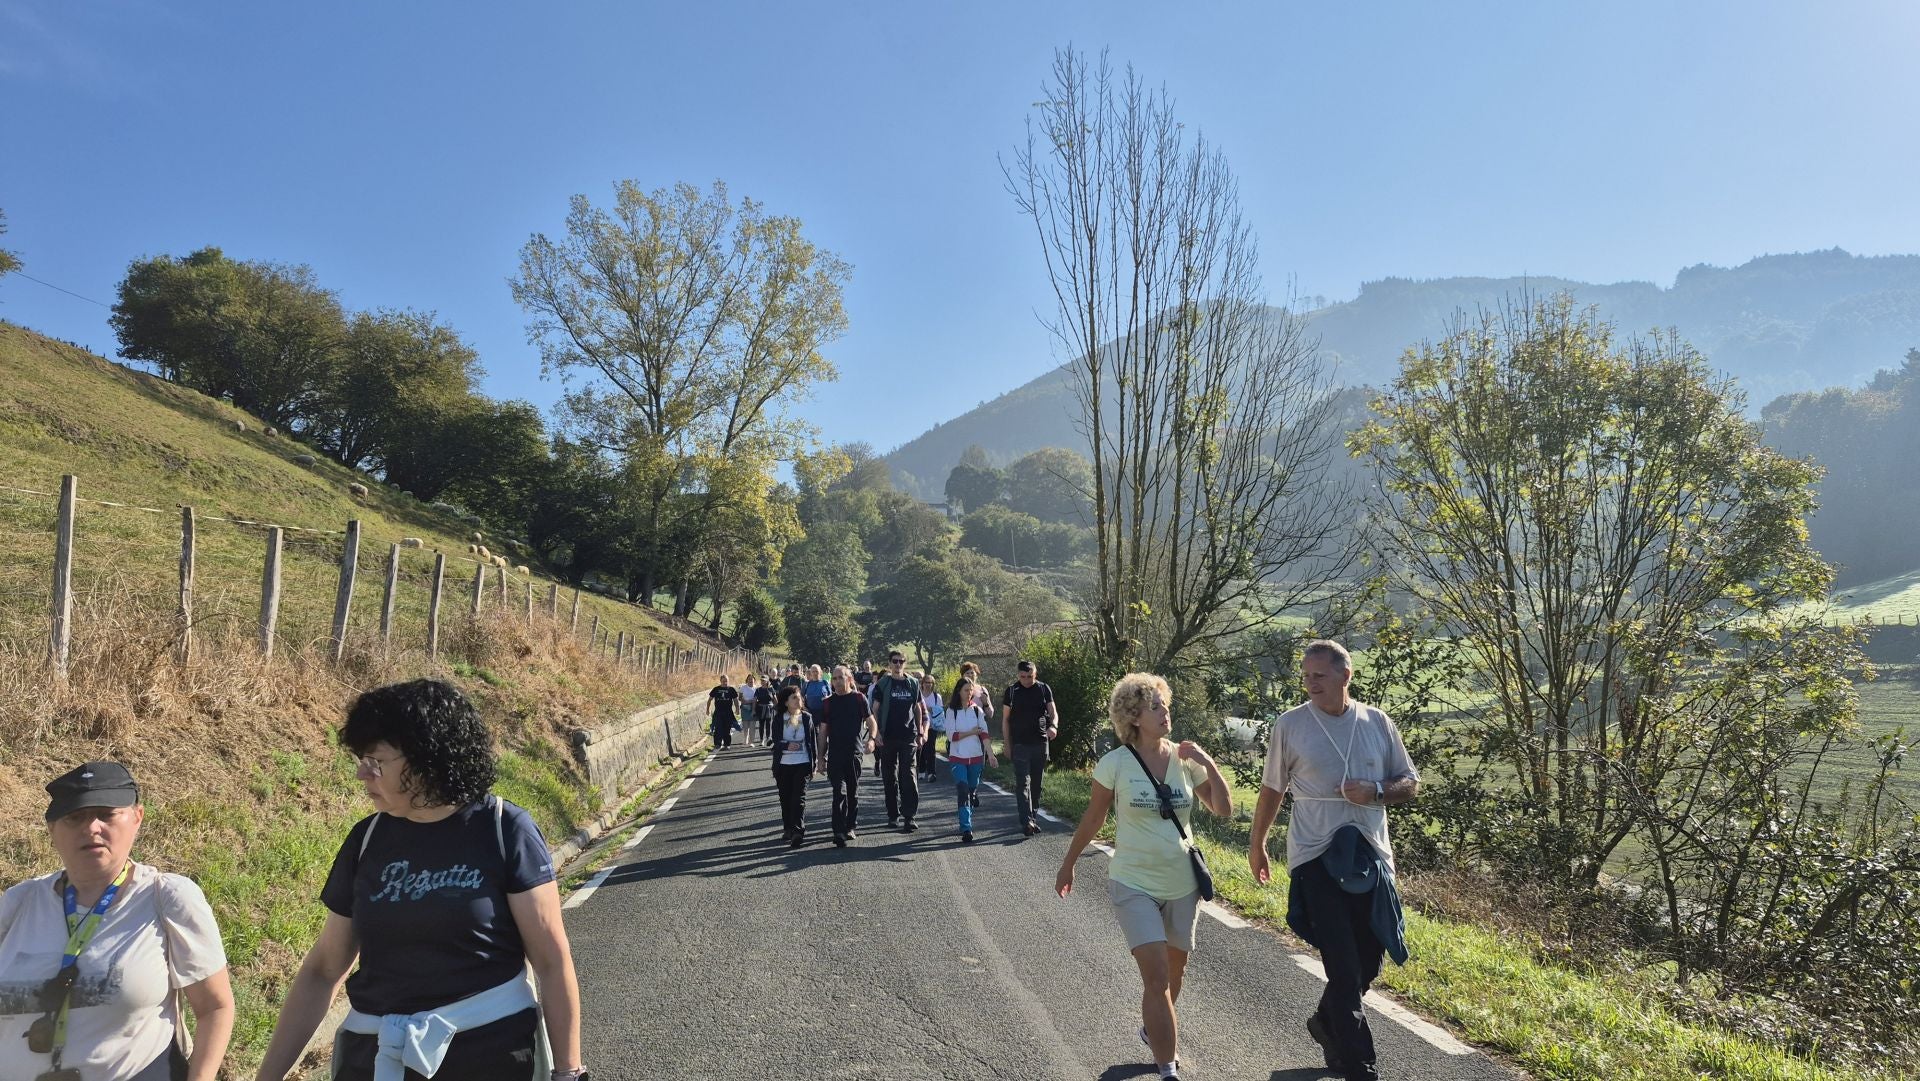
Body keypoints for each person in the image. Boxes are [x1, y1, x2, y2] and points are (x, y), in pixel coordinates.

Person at [254, 679, 589, 1081]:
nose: (362, 774)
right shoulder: (367, 841)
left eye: (376, 762)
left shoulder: (503, 829)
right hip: (375, 1057)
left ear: (429, 758)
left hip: (490, 1056)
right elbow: (324, 970)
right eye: (361, 760)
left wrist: (569, 1072)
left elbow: (551, 962)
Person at [0, 761, 235, 1081]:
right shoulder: (18, 904)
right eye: (75, 817)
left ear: (136, 817)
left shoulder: (166, 899)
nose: (91, 827)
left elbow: (214, 1008)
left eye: (107, 814)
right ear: (53, 830)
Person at [1248, 640, 1418, 1081]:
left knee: (1369, 958)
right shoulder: (1291, 725)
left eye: (1318, 676)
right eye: (1305, 676)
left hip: (1370, 854)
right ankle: (1361, 1066)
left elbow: (1409, 782)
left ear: (1346, 675)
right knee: (1341, 963)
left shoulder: (1377, 722)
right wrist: (1258, 843)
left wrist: (1376, 792)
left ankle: (1327, 1022)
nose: (1310, 684)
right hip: (1315, 854)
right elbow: (1272, 790)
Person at [1056, 674, 1230, 1081]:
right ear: (1133, 716)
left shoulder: (1186, 760)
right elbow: (1094, 816)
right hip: (1132, 881)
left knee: (1174, 974)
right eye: (1155, 706)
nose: (1165, 711)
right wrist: (1069, 862)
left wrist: (1208, 763)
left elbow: (1222, 809)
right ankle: (1167, 1068)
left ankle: (1153, 1030)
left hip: (1182, 882)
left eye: (1165, 705)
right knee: (1155, 977)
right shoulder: (1115, 763)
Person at [867, 651, 928, 832]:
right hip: (888, 737)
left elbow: (917, 707)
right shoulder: (883, 684)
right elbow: (875, 709)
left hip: (908, 735)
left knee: (908, 775)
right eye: (895, 661)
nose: (898, 664)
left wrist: (920, 730)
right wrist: (876, 733)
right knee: (890, 777)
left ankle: (909, 816)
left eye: (902, 661)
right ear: (890, 663)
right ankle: (893, 815)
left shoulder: (913, 683)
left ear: (905, 664)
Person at [1001, 659, 1058, 836]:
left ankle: (1033, 818)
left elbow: (1053, 711)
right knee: (1022, 783)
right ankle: (1026, 821)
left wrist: (1054, 726)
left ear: (1035, 674)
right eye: (1022, 676)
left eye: (1030, 677)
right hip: (1020, 744)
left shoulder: (1043, 688)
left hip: (1040, 743)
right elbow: (1005, 720)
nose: (1026, 680)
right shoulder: (1011, 691)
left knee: (1036, 784)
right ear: (1018, 675)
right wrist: (1007, 743)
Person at [820, 666, 875, 847]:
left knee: (852, 792)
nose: (836, 682)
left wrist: (872, 739)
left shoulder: (859, 698)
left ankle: (850, 826)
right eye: (834, 679)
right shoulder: (828, 702)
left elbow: (871, 721)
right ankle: (838, 831)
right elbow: (823, 732)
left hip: (854, 754)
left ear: (849, 679)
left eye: (840, 678)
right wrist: (820, 757)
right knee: (839, 792)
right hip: (835, 755)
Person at [943, 677, 998, 843]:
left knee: (971, 790)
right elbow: (951, 736)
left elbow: (985, 735)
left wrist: (991, 755)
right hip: (957, 758)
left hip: (975, 757)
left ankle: (972, 796)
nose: (969, 694)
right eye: (966, 690)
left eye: (970, 690)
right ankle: (966, 828)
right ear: (959, 691)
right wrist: (971, 732)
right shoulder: (951, 711)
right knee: (963, 790)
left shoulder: (977, 711)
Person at [770, 685, 817, 848]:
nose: (799, 700)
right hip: (783, 765)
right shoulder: (778, 719)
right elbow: (775, 740)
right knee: (785, 798)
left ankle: (798, 831)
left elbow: (813, 741)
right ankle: (788, 828)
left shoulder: (807, 718)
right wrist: (786, 745)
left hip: (802, 763)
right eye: (794, 698)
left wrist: (815, 763)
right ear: (786, 702)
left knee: (799, 798)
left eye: (799, 697)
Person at [953, 662, 994, 810]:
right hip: (963, 735)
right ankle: (967, 790)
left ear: (977, 675)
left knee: (979, 765)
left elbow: (990, 714)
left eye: (973, 673)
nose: (971, 675)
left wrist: (985, 702)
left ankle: (973, 790)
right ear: (962, 676)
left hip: (979, 734)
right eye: (968, 673)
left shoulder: (982, 690)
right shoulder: (960, 689)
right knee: (964, 765)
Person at [917, 672, 945, 782]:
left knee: (931, 749)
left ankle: (932, 773)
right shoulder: (918, 694)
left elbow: (941, 710)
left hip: (932, 726)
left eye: (930, 683)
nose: (928, 684)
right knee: (920, 749)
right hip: (919, 725)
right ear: (922, 683)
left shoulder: (936, 696)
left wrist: (929, 709)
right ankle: (921, 770)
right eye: (926, 682)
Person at [801, 664, 832, 760]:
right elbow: (801, 697)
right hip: (811, 712)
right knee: (814, 734)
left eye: (816, 671)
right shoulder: (807, 684)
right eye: (812, 671)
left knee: (824, 734)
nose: (814, 673)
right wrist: (804, 707)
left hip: (823, 712)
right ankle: (815, 754)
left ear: (820, 673)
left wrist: (827, 698)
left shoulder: (825, 682)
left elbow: (831, 696)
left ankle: (824, 754)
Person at [710, 674, 741, 749]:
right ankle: (717, 743)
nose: (725, 682)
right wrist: (708, 709)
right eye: (723, 681)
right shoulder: (716, 689)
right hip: (718, 712)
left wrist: (737, 709)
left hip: (728, 712)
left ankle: (727, 744)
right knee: (718, 728)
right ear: (720, 681)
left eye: (726, 681)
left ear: (728, 681)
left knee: (727, 728)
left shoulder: (731, 689)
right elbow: (709, 699)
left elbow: (735, 700)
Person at [738, 674, 761, 746]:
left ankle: (751, 742)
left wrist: (752, 702)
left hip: (753, 708)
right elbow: (740, 698)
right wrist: (746, 701)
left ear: (754, 680)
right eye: (749, 679)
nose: (751, 680)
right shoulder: (743, 688)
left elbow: (757, 699)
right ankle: (745, 740)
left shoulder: (756, 689)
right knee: (745, 726)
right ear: (747, 680)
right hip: (744, 707)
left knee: (752, 726)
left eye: (752, 679)